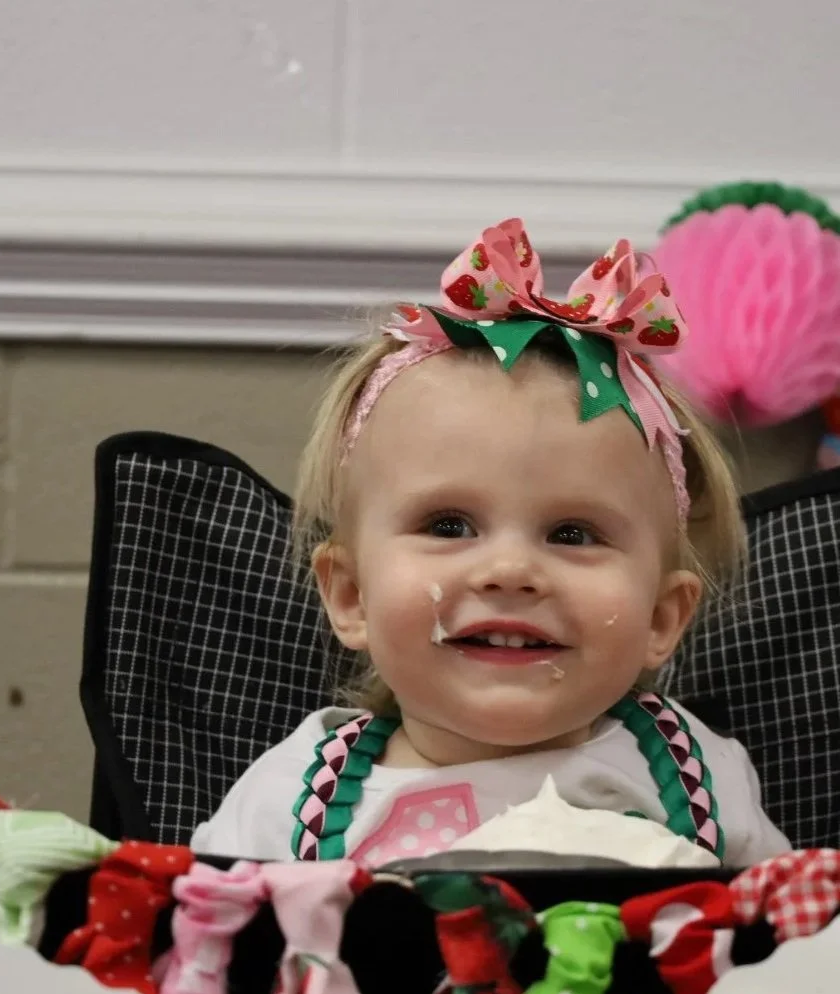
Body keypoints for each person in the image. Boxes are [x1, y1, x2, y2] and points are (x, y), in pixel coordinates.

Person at [191, 218, 789, 868]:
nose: (509, 570)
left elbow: (788, 946)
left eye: (572, 534)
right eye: (448, 526)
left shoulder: (698, 778)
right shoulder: (289, 800)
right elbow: (210, 945)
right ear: (351, 595)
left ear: (661, 617)